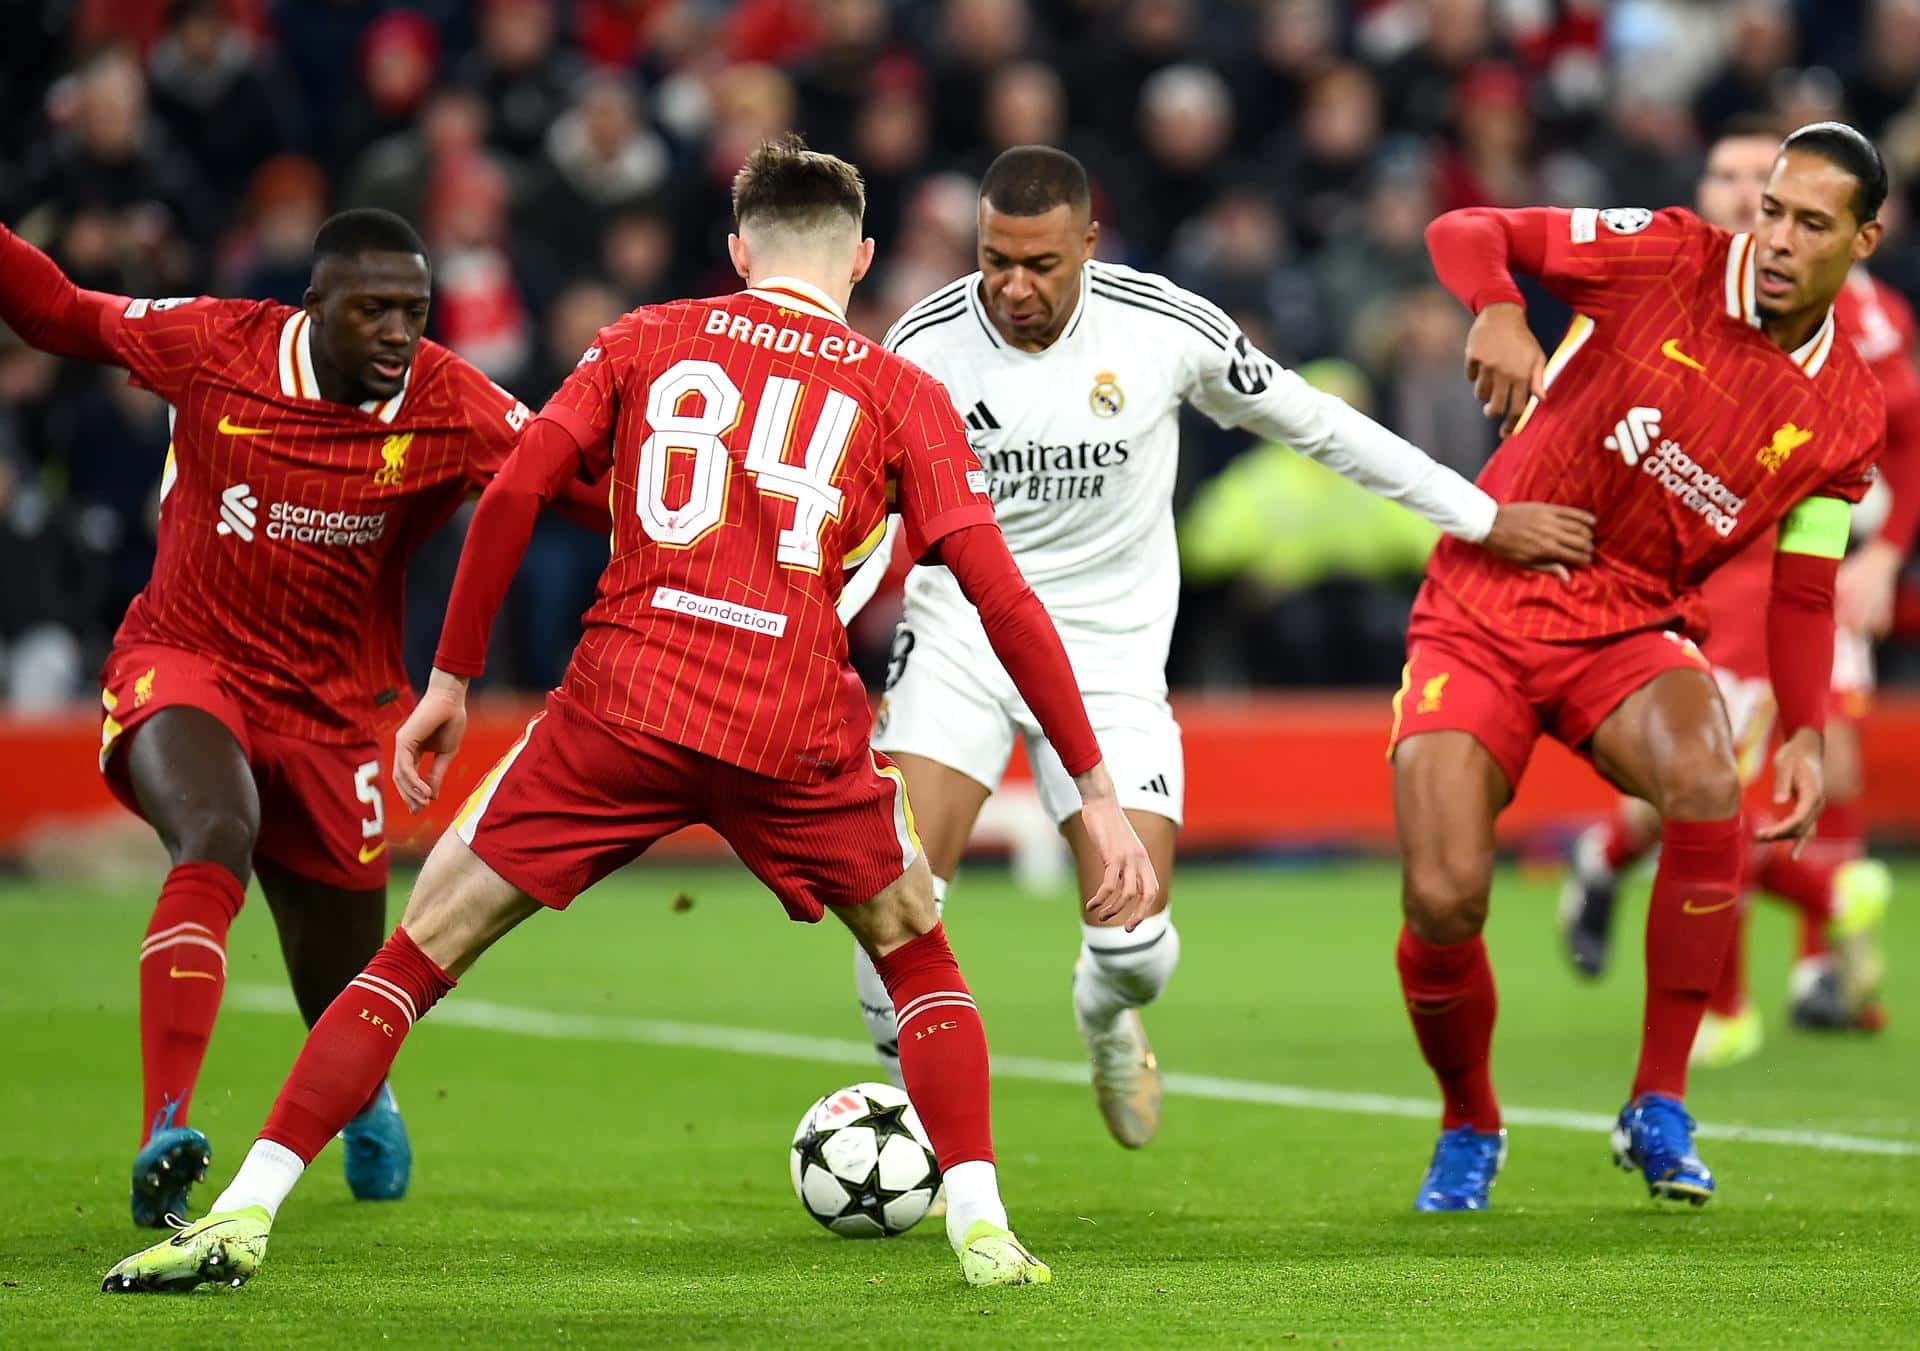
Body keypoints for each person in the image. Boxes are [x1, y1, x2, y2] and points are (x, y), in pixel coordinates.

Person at [102, 136, 1156, 1295]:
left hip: (626, 702)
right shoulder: (899, 387)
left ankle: (244, 1212)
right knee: (915, 945)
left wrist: (450, 681)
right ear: (859, 260)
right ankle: (985, 1228)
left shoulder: (647, 336)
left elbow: (511, 490)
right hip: (787, 722)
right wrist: (1094, 792)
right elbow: (998, 592)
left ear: (737, 250)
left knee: (422, 945)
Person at [836, 145, 1593, 1150]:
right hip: (962, 636)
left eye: (1041, 264)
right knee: (892, 892)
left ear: (1090, 245)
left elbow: (1319, 424)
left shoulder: (1162, 325)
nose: (1013, 286)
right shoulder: (921, 344)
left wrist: (1480, 515)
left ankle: (1106, 1019)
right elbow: (853, 509)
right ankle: (923, 1147)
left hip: (1106, 653)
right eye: (994, 260)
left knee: (1138, 946)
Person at [0, 208, 608, 1227]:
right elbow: (61, 313)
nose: (395, 333)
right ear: (313, 306)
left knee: (338, 989)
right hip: (187, 661)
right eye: (371, 310)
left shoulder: (447, 400)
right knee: (214, 835)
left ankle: (365, 1092)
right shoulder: (216, 344)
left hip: (335, 715)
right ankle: (166, 1131)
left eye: (413, 312)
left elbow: (576, 486)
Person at [1391, 122, 1890, 1211]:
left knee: (1711, 786)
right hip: (1482, 602)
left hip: (1627, 624)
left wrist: (1803, 727)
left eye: (1812, 223)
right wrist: (1499, 307)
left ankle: (1658, 1102)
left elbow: (1805, 589)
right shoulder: (1666, 254)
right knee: (1442, 898)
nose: (1780, 239)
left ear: (1865, 238)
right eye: (1772, 211)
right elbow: (1465, 225)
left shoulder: (1846, 413)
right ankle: (1469, 1117)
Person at [1558, 120, 1914, 1059]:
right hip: (1664, 575)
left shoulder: (1867, 327)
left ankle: (1790, 972)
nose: (1763, 207)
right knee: (1701, 780)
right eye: (1742, 184)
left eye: (1783, 190)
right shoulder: (1668, 276)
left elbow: (1905, 439)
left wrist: (1884, 555)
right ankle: (1762, 943)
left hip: (1789, 572)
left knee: (1791, 770)